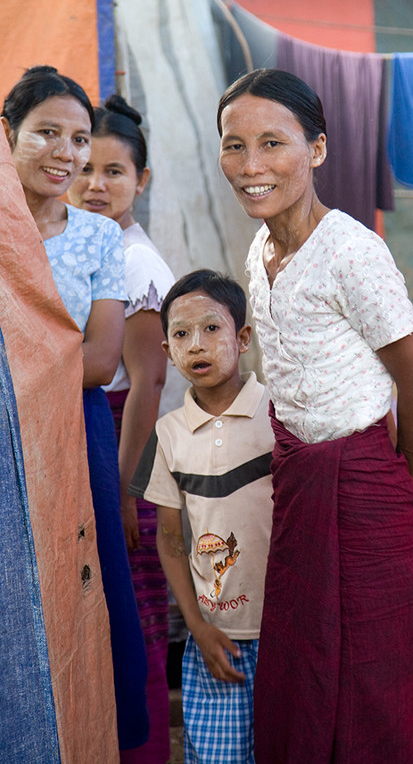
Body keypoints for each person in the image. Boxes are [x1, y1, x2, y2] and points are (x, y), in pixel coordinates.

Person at [216, 68, 413, 764]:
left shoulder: (352, 252)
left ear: (317, 150)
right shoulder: (259, 251)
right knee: (303, 666)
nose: (251, 165)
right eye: (233, 146)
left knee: (377, 677)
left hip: (362, 488)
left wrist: (399, 477)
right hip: (299, 483)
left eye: (272, 143)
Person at [1, 66, 149, 752]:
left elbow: (99, 361)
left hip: (73, 435)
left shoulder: (97, 237)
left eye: (79, 138)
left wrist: (17, 373)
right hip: (6, 439)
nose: (66, 153)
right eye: (47, 134)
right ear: (8, 135)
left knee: (82, 590)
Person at [68, 94, 176, 764]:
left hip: (122, 443)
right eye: (86, 167)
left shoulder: (133, 262)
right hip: (98, 442)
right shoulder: (90, 245)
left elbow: (148, 383)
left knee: (133, 619)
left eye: (115, 171)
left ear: (142, 180)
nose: (96, 183)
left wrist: (125, 486)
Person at [129, 269, 275, 764]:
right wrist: (197, 625)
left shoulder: (280, 416)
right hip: (217, 637)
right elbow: (170, 539)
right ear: (167, 352)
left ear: (244, 338)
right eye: (182, 334)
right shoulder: (169, 435)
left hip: (289, 628)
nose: (198, 344)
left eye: (212, 328)